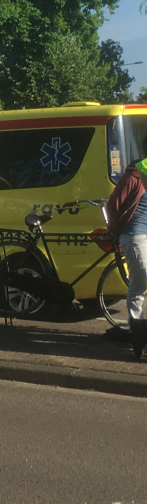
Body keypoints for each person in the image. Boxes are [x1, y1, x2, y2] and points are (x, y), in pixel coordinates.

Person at [106, 139, 147, 358]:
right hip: (135, 236)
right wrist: (114, 230)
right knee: (140, 283)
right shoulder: (133, 176)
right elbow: (113, 205)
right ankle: (136, 331)